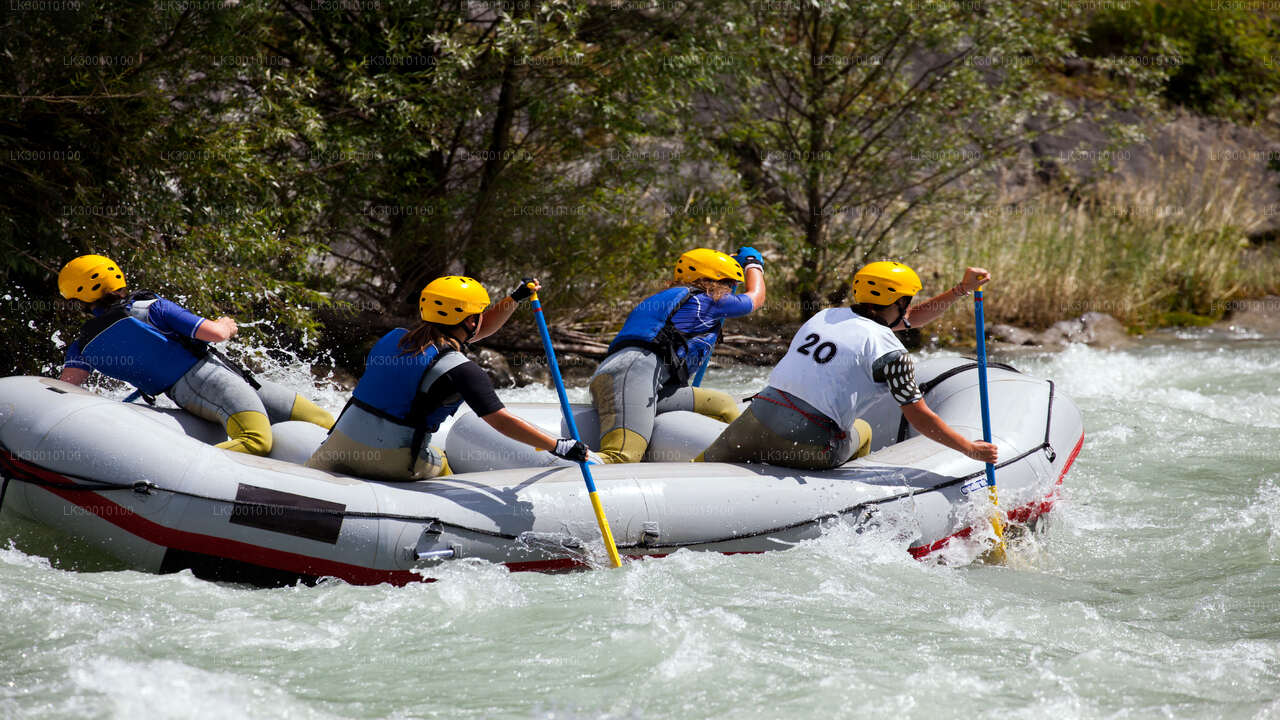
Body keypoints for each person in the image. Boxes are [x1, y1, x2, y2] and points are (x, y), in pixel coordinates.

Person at [697, 261, 999, 469]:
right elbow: (920, 418)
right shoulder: (894, 354)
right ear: (898, 302)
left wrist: (961, 289)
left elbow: (905, 320)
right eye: (907, 300)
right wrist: (969, 448)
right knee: (863, 430)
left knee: (702, 467)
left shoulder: (826, 317)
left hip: (753, 422)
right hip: (809, 445)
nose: (908, 307)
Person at [305, 275, 592, 481]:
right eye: (477, 314)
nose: (480, 320)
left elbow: (478, 329)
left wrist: (515, 299)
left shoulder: (392, 339)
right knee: (445, 463)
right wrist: (558, 445)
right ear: (470, 321)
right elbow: (502, 422)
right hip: (392, 462)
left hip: (336, 448)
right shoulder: (461, 369)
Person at [56, 254, 335, 456]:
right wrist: (226, 324)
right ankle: (180, 469)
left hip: (207, 384)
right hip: (209, 381)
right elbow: (214, 334)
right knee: (256, 441)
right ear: (117, 278)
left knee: (322, 421)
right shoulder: (154, 308)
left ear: (79, 300)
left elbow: (67, 386)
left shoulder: (83, 344)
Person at [589, 247, 767, 464]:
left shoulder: (676, 298)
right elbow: (755, 298)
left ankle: (747, 458)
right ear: (713, 282)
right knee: (622, 457)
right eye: (730, 284)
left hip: (644, 381)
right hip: (631, 375)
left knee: (723, 405)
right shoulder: (706, 300)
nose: (732, 290)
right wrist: (753, 264)